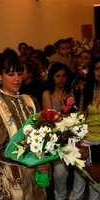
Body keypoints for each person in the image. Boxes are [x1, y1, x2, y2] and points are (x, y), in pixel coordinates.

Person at [0, 53, 49, 199]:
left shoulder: (31, 101)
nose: (16, 78)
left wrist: (45, 159)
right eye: (10, 74)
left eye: (19, 73)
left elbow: (43, 134)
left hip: (34, 172)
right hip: (8, 175)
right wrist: (28, 156)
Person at [42, 62, 74, 200]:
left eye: (63, 76)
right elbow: (50, 118)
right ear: (52, 77)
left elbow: (77, 116)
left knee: (69, 174)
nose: (61, 79)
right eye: (57, 76)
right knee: (59, 174)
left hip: (71, 136)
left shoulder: (71, 93)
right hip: (55, 138)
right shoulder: (47, 94)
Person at [69, 57, 100, 199]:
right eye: (98, 69)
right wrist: (78, 141)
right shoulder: (88, 91)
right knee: (79, 179)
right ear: (93, 71)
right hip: (87, 139)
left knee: (96, 184)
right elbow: (80, 118)